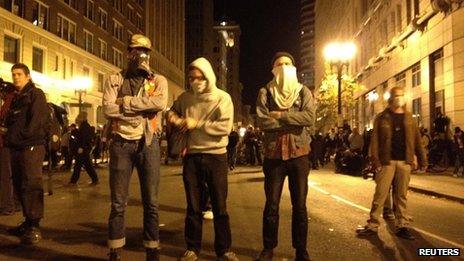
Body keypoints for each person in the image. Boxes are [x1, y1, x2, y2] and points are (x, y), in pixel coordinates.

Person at [103, 34, 168, 260]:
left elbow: (160, 103)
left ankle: (152, 248)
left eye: (144, 51)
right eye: (135, 50)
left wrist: (126, 103)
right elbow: (108, 109)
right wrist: (142, 108)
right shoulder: (115, 78)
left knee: (151, 201)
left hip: (148, 143)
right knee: (118, 202)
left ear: (149, 54)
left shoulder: (158, 81)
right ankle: (115, 249)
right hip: (121, 142)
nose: (139, 55)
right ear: (128, 52)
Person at [167, 57, 238, 261]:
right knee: (193, 205)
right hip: (192, 156)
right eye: (191, 78)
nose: (194, 82)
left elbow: (224, 127)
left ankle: (224, 249)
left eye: (198, 78)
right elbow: (172, 109)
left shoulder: (222, 98)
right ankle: (192, 248)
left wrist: (196, 123)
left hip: (216, 155)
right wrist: (173, 117)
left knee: (219, 205)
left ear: (208, 77)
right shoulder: (185, 97)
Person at [255, 52, 315, 261]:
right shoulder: (266, 92)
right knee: (271, 204)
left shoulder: (303, 91)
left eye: (287, 64)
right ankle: (268, 248)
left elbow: (309, 117)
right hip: (274, 156)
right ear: (273, 69)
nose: (283, 67)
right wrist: (293, 120)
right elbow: (263, 122)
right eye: (279, 64)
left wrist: (280, 115)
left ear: (294, 67)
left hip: (299, 155)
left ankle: (301, 250)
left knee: (300, 205)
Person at [356, 86, 427, 240]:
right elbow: (374, 141)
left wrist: (422, 160)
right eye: (396, 96)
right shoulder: (381, 118)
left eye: (401, 95)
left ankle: (402, 225)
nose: (398, 98)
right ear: (390, 99)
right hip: (386, 162)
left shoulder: (409, 118)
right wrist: (375, 160)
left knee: (401, 195)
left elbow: (417, 141)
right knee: (380, 194)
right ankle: (373, 225)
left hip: (404, 162)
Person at [3, 63, 49, 244]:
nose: (15, 77)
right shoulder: (16, 98)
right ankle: (27, 221)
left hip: (30, 147)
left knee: (31, 184)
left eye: (19, 74)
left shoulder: (35, 94)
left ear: (28, 76)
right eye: (13, 74)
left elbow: (36, 122)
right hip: (16, 147)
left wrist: (20, 137)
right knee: (21, 185)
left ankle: (34, 226)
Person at [0, 80, 17, 216]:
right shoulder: (12, 100)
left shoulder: (10, 102)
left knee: (5, 175)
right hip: (7, 143)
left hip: (5, 143)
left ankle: (7, 205)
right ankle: (11, 204)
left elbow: (6, 125)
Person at [68, 112, 99, 185]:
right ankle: (95, 179)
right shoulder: (83, 126)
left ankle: (73, 181)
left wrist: (81, 147)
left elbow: (83, 138)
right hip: (84, 148)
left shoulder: (84, 126)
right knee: (87, 165)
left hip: (83, 149)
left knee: (78, 165)